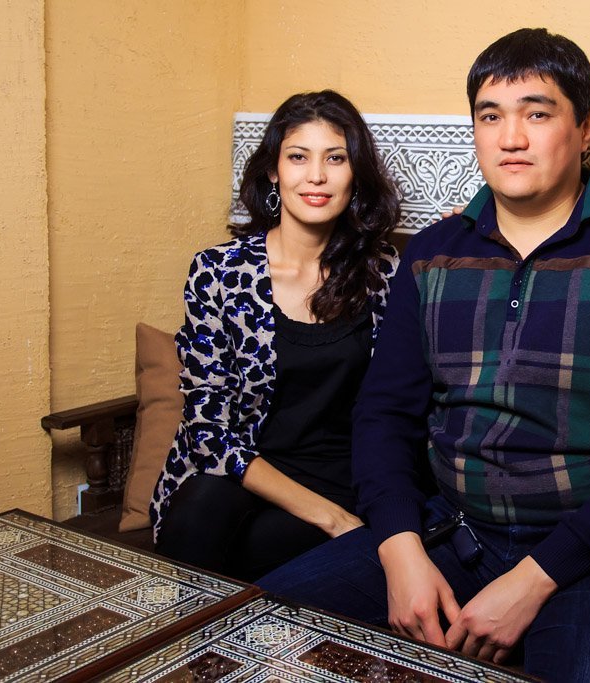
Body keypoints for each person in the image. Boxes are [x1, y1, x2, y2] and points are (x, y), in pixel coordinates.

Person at [259, 29, 590, 681]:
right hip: (450, 532)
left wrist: (533, 579)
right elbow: (384, 415)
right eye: (490, 116)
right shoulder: (433, 253)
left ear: (586, 127)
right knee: (251, 632)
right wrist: (400, 551)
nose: (510, 138)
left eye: (537, 114)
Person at [149, 90, 401, 582]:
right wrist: (332, 520)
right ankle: (173, 630)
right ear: (273, 170)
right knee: (200, 511)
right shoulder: (218, 272)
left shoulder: (383, 271)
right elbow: (207, 431)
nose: (316, 176)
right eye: (298, 157)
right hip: (240, 470)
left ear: (356, 174)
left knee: (258, 548)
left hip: (343, 477)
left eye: (336, 158)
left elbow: (402, 399)